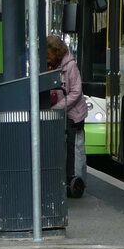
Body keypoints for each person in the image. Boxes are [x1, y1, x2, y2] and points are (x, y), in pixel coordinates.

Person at [46, 34, 88, 198]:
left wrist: (58, 107)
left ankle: (77, 181)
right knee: (64, 147)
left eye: (49, 54)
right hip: (59, 112)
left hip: (73, 114)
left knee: (75, 147)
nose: (47, 58)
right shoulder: (52, 65)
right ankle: (66, 178)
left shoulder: (70, 66)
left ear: (56, 52)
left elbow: (76, 92)